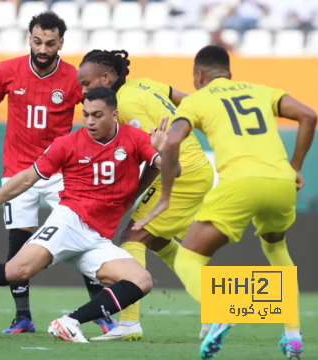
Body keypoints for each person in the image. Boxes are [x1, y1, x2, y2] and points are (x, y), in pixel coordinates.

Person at [0, 87, 181, 342]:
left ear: (114, 114)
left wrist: (165, 151)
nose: (90, 121)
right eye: (86, 114)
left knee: (141, 281)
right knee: (16, 271)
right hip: (70, 222)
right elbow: (26, 179)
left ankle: (69, 323)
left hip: (97, 238)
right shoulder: (68, 144)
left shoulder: (135, 138)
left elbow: (174, 172)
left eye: (97, 114)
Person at [133, 45, 317, 359]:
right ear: (230, 73)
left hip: (241, 185)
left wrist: (164, 198)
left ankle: (219, 313)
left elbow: (174, 139)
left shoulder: (197, 100)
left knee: (189, 260)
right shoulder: (261, 91)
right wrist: (296, 167)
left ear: (198, 75)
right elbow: (309, 115)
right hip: (282, 182)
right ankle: (293, 337)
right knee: (276, 249)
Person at [0, 11, 115, 334]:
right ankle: (22, 316)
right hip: (18, 169)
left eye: (50, 43)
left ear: (61, 43)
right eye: (37, 41)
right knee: (18, 245)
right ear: (29, 38)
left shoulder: (73, 78)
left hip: (61, 170)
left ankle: (98, 312)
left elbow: (96, 114)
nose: (42, 49)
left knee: (84, 237)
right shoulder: (7, 70)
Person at [76, 49, 214, 341]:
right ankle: (214, 306)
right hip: (194, 168)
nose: (83, 91)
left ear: (106, 77)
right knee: (160, 241)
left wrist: (131, 196)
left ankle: (128, 323)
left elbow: (155, 152)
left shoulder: (124, 106)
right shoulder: (144, 84)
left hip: (181, 172)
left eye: (87, 84)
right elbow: (188, 101)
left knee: (132, 236)